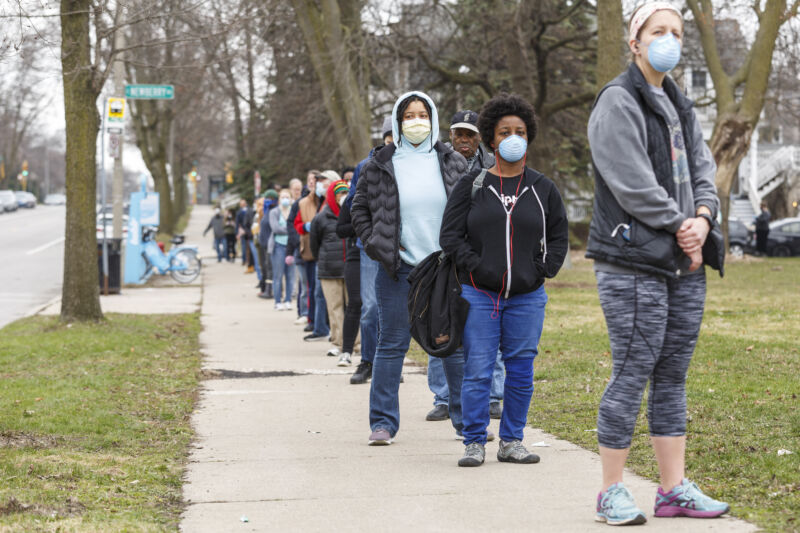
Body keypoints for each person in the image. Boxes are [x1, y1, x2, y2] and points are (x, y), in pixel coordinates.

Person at [586, 3, 729, 525]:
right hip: (632, 262)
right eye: (658, 31)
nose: (668, 39)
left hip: (683, 262)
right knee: (632, 372)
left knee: (672, 375)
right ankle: (610, 491)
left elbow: (704, 168)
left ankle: (673, 491)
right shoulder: (617, 102)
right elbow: (630, 182)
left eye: (676, 32)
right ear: (634, 41)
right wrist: (681, 224)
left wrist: (705, 216)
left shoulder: (681, 104)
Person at [440, 93, 569, 468]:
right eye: (504, 131)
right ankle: (475, 441)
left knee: (521, 371)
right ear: (491, 139)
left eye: (521, 131)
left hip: (527, 297)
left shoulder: (543, 188)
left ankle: (512, 440)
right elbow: (450, 236)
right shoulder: (473, 184)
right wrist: (474, 266)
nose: (513, 137)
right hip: (479, 294)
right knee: (478, 370)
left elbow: (558, 234)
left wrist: (546, 267)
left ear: (528, 137)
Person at [351, 90, 467, 445]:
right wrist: (377, 244)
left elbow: (469, 209)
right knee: (391, 344)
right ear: (398, 123)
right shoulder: (379, 164)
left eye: (423, 114)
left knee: (451, 346)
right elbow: (358, 211)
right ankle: (382, 423)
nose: (416, 121)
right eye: (409, 116)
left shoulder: (451, 161)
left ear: (432, 119)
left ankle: (467, 421)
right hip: (398, 268)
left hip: (444, 268)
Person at [428, 109, 506, 422]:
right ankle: (444, 398)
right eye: (458, 134)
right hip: (444, 254)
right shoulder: (438, 165)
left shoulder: (494, 167)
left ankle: (494, 395)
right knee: (441, 324)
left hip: (483, 256)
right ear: (450, 136)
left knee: (490, 325)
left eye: (470, 135)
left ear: (480, 139)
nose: (463, 140)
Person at [341, 116, 394, 385]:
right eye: (389, 137)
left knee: (394, 308)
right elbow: (353, 205)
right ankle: (367, 361)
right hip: (371, 247)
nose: (393, 143)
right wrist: (367, 234)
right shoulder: (366, 166)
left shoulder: (411, 165)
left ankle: (389, 363)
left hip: (400, 247)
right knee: (370, 307)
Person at [311, 178, 359, 359]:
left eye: (345, 193)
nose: (342, 197)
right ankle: (338, 342)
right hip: (330, 269)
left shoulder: (354, 212)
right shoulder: (322, 217)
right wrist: (322, 260)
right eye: (339, 194)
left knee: (355, 305)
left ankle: (357, 343)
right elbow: (314, 243)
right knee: (335, 307)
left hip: (351, 266)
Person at [290, 170, 332, 342]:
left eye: (319, 181)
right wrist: (305, 229)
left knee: (322, 292)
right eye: (313, 181)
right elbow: (295, 224)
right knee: (313, 289)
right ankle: (315, 322)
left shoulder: (327, 201)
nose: (315, 184)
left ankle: (323, 325)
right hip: (309, 250)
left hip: (327, 251)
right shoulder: (304, 203)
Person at [269, 189, 296, 310]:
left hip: (291, 246)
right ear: (279, 199)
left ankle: (288, 300)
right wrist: (289, 229)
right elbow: (275, 228)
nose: (285, 199)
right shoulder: (274, 212)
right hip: (278, 246)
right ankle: (277, 301)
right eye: (282, 197)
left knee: (290, 275)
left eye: (287, 197)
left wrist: (288, 229)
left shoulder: (293, 211)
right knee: (278, 275)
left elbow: (296, 227)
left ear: (291, 199)